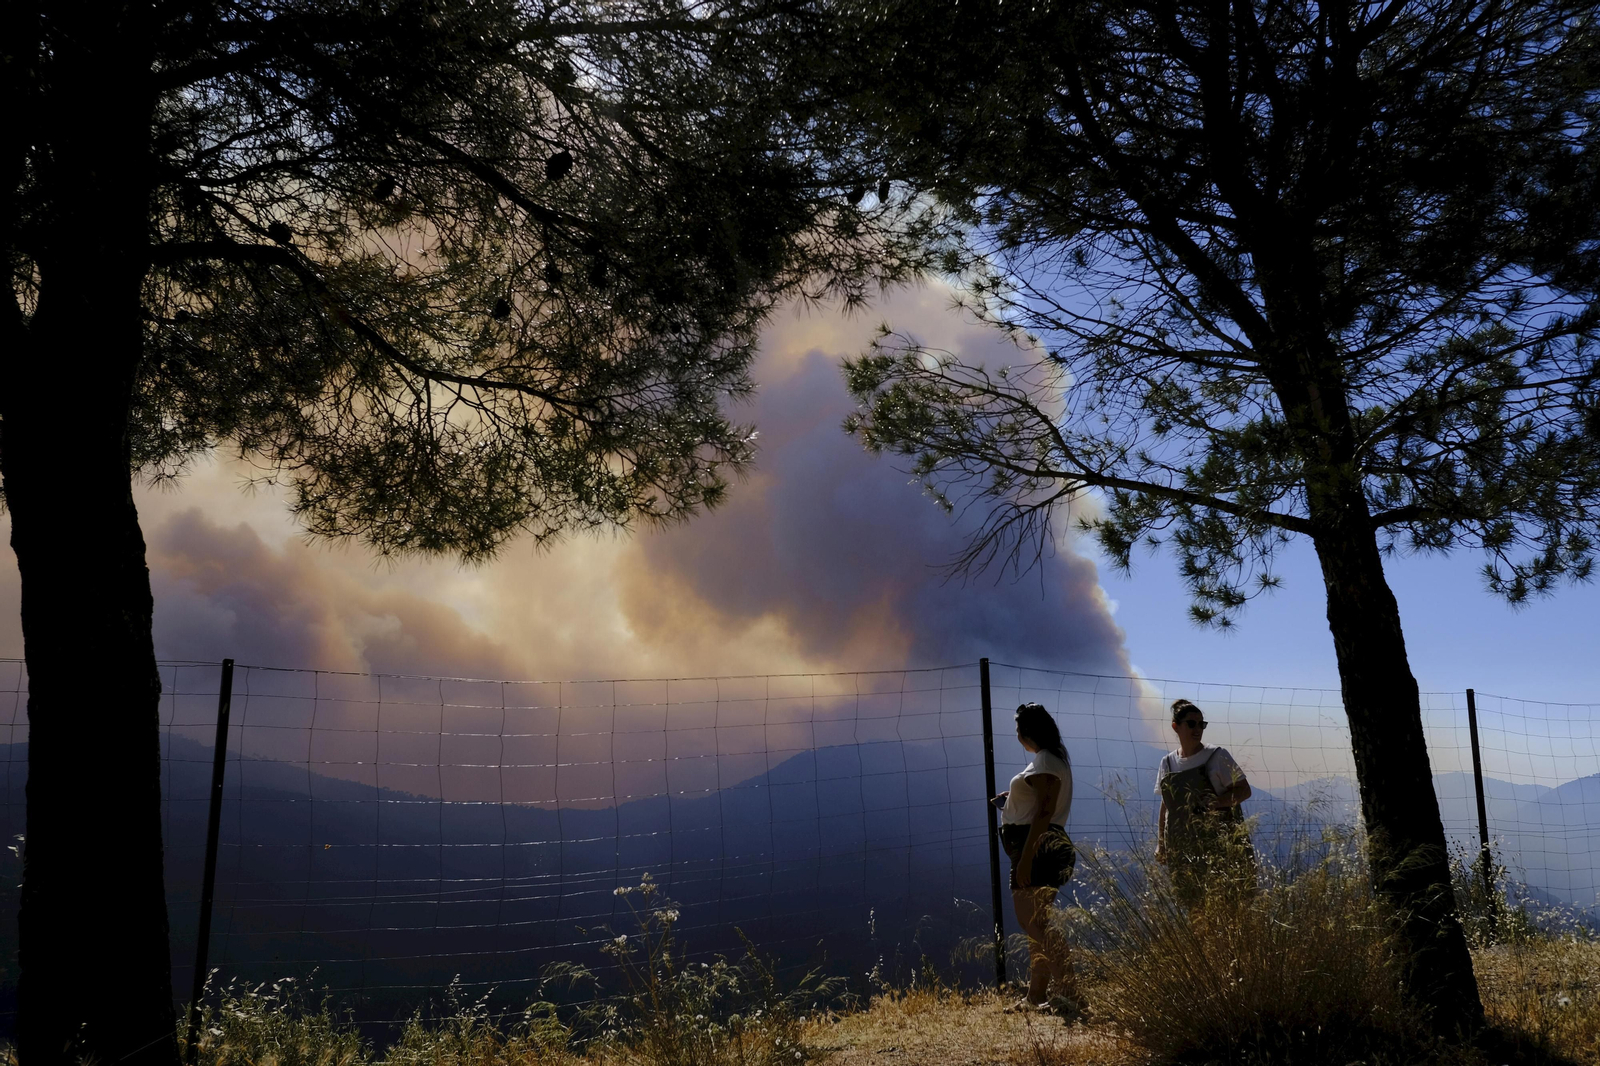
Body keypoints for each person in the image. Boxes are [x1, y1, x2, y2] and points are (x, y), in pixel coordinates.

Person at [991, 702, 1078, 1013]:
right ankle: (1036, 995)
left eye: (1018, 730)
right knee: (1036, 924)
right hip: (1041, 846)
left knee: (1033, 923)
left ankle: (1069, 992)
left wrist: (1026, 858)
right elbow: (1037, 805)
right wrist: (1011, 800)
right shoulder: (1050, 761)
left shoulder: (1045, 763)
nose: (1017, 736)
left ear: (1026, 732)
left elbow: (1043, 812)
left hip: (1036, 850)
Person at [1155, 698, 1255, 906]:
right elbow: (1166, 806)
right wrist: (1161, 845)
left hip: (1222, 848)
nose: (1198, 728)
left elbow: (1245, 790)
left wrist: (1216, 803)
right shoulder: (1167, 763)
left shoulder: (1217, 756)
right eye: (1191, 723)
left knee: (1231, 904)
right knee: (1194, 907)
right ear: (1176, 726)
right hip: (1183, 851)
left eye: (1202, 724)